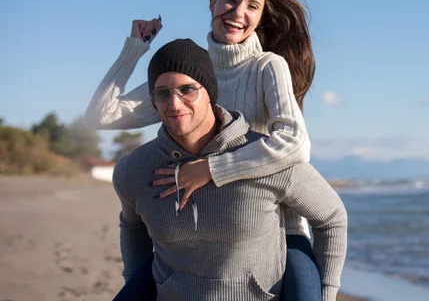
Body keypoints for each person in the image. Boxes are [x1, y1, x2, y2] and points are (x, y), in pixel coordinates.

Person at [84, 0, 320, 296]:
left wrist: (210, 169)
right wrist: (135, 47)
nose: (237, 12)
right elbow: (101, 116)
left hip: (278, 227)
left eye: (252, 6)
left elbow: (296, 144)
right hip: (199, 232)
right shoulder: (189, 75)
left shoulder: (268, 66)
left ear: (261, 16)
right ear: (211, 2)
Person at [111, 38, 347, 300]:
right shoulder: (134, 170)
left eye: (187, 89)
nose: (175, 104)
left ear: (210, 92)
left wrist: (327, 293)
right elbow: (132, 227)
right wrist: (133, 281)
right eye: (163, 94)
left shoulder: (265, 158)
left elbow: (331, 217)